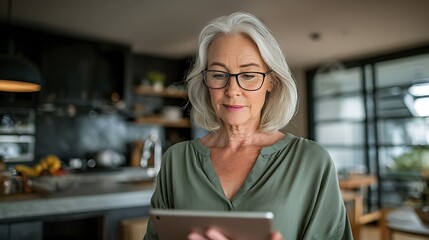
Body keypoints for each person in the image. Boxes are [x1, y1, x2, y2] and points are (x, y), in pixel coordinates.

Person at [144, 12, 353, 240]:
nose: (232, 89)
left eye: (249, 75)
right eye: (218, 74)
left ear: (271, 82)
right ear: (205, 82)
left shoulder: (312, 161)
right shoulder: (176, 161)